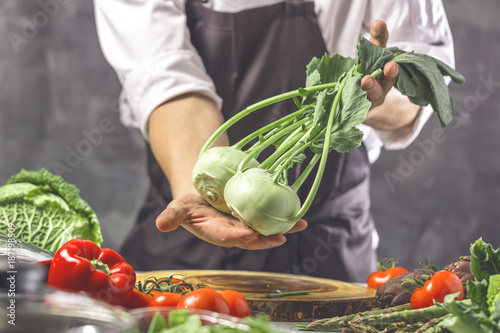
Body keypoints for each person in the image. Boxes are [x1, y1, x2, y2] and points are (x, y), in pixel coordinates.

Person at [94, 0, 456, 282]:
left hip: (328, 244)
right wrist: (197, 185)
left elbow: (421, 82)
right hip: (186, 240)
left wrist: (360, 97)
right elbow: (166, 81)